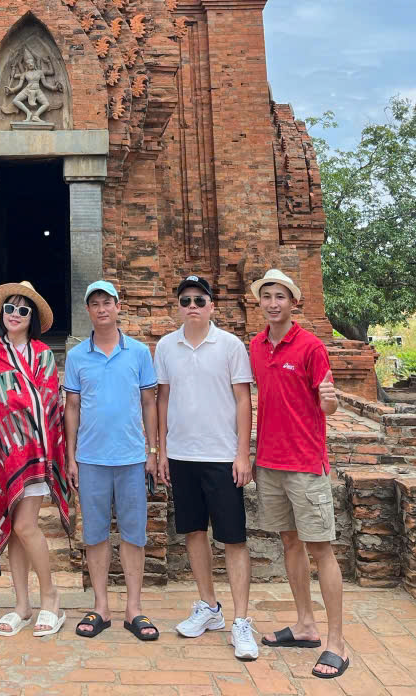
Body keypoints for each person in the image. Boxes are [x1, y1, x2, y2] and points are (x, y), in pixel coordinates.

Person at [249, 268, 349, 680]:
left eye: (280, 297)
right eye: (267, 296)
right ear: (260, 302)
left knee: (321, 548)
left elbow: (329, 406)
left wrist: (330, 400)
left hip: (305, 463)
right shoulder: (256, 346)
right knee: (289, 542)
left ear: (294, 302)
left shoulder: (311, 347)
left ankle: (336, 643)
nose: (273, 303)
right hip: (269, 462)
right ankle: (306, 624)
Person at [155, 274, 257, 660]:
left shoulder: (230, 345)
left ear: (212, 306)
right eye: (186, 301)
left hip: (221, 456)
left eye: (200, 300)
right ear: (178, 307)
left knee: (233, 538)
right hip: (182, 455)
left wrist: (242, 453)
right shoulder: (166, 346)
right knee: (194, 532)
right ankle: (209, 606)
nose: (193, 306)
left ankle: (241, 620)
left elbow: (243, 400)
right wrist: (162, 450)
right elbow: (163, 400)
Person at [0, 281, 69, 638]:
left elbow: (48, 404)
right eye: (9, 308)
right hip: (2, 456)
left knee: (26, 525)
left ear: (32, 318)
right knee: (14, 528)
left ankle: (51, 597)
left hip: (35, 456)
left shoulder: (43, 355)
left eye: (22, 310)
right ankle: (22, 604)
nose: (14, 314)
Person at [63, 280, 160, 642]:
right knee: (95, 534)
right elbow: (72, 407)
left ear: (119, 307)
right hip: (91, 458)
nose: (102, 309)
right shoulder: (77, 356)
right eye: (95, 304)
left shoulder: (138, 352)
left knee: (134, 534)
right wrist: (71, 456)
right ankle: (101, 606)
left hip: (132, 457)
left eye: (107, 302)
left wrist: (153, 451)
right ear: (87, 311)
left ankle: (133, 608)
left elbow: (149, 402)